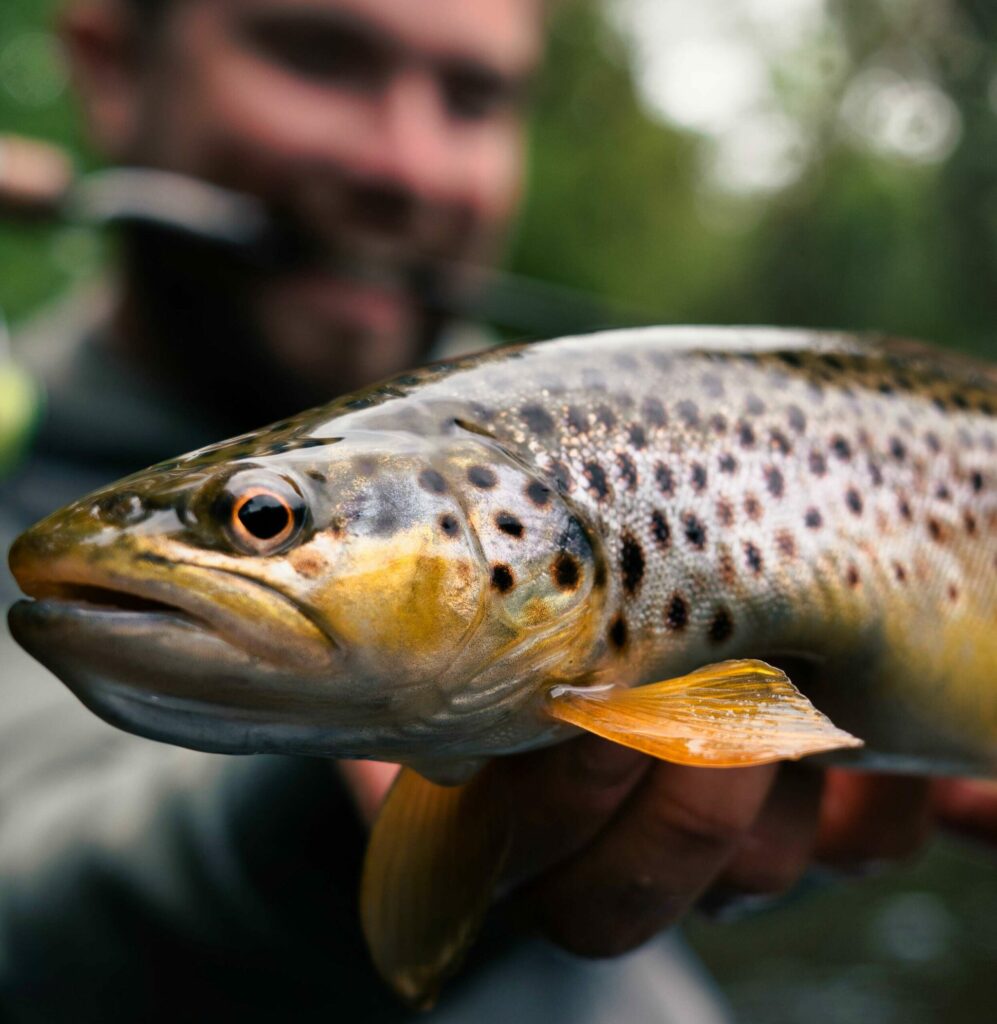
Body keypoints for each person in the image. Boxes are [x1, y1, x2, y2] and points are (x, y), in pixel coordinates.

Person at [1, 1, 996, 1021]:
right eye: (318, 55)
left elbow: (783, 778)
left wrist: (816, 825)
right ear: (112, 65)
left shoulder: (539, 433)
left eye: (472, 96)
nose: (408, 164)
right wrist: (317, 830)